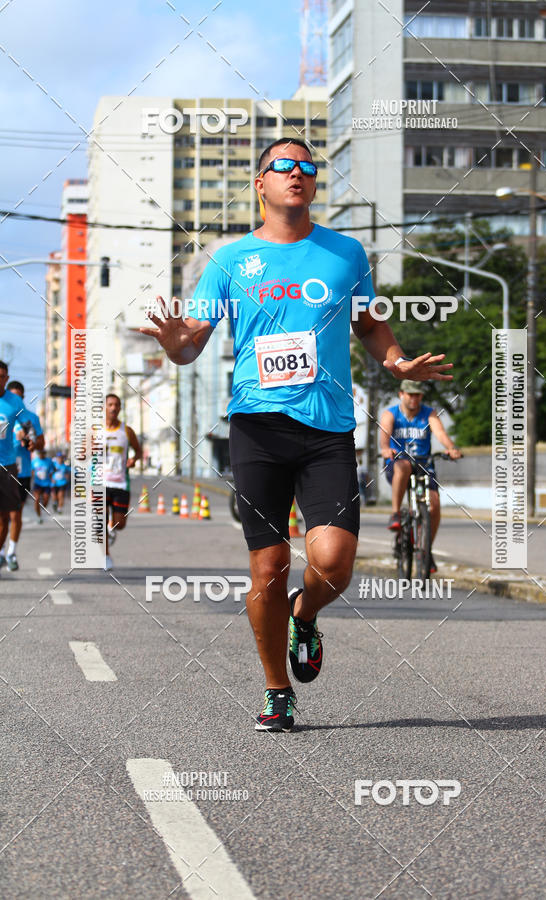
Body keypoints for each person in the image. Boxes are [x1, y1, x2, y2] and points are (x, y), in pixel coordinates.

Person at [141, 137, 453, 732]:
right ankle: (277, 690)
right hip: (257, 428)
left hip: (329, 428)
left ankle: (302, 615)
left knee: (334, 563)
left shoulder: (345, 253)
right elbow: (190, 347)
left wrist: (397, 363)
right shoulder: (230, 261)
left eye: (308, 167)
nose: (297, 173)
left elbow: (368, 323)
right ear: (260, 184)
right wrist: (174, 341)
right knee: (269, 564)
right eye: (283, 166)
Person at [380, 380, 462, 571]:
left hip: (424, 464)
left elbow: (440, 433)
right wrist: (385, 449)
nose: (414, 398)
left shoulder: (429, 413)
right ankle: (395, 514)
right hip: (398, 464)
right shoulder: (390, 414)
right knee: (404, 465)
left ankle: (426, 550)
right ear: (401, 394)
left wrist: (451, 448)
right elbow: (384, 437)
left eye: (417, 394)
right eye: (410, 394)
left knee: (434, 506)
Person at [1, 380, 45, 569]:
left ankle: (11, 551)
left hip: (22, 472)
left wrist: (31, 442)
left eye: (19, 396)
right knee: (2, 516)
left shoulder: (29, 419)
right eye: (13, 395)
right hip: (6, 469)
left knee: (15, 514)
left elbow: (39, 442)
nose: (15, 400)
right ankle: (2, 552)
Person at [0, 362, 33, 574]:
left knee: (8, 515)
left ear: (6, 377)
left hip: (8, 467)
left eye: (2, 376)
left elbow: (29, 425)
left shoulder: (14, 403)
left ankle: (8, 552)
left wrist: (30, 439)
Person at [104, 393, 142, 571]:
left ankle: (112, 527)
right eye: (110, 404)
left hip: (120, 483)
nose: (113, 408)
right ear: (104, 407)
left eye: (116, 405)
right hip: (100, 482)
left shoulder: (127, 431)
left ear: (120, 408)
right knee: (98, 520)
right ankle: (105, 556)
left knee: (120, 524)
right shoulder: (96, 431)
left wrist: (134, 460)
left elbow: (138, 451)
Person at [31, 449, 55, 523]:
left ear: (45, 453)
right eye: (40, 453)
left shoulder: (49, 461)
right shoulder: (34, 461)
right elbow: (32, 470)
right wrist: (33, 476)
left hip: (46, 484)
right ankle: (39, 517)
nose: (41, 455)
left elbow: (53, 470)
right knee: (36, 499)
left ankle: (43, 506)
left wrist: (52, 478)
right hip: (37, 483)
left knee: (45, 500)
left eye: (43, 453)